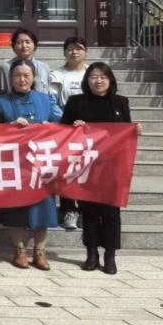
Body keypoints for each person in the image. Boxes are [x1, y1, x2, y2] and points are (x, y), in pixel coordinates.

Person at [61, 62, 138, 275]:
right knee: (89, 210)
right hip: (86, 165)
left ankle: (110, 255)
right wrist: (73, 127)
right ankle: (91, 253)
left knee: (112, 211)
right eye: (94, 77)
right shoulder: (76, 102)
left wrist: (135, 130)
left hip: (112, 165)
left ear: (110, 80)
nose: (98, 81)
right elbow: (62, 130)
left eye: (103, 77)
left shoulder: (120, 102)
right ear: (87, 80)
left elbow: (126, 131)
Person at [0, 58, 63, 271]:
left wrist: (51, 126)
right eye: (17, 76)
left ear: (34, 77)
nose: (22, 80)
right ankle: (19, 249)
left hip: (42, 161)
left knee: (44, 205)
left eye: (26, 76)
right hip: (15, 162)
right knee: (16, 205)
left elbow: (61, 123)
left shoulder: (46, 99)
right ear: (10, 78)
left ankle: (40, 250)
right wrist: (10, 126)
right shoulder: (2, 101)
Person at [50, 36, 90, 231]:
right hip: (65, 129)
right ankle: (68, 209)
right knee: (66, 170)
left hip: (87, 130)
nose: (74, 52)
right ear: (64, 52)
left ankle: (85, 210)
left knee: (86, 170)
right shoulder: (57, 75)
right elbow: (52, 102)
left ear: (85, 52)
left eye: (79, 48)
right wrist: (68, 120)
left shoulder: (92, 74)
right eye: (70, 49)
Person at [0, 27, 52, 98]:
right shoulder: (6, 67)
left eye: (27, 42)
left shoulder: (44, 67)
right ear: (14, 46)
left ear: (34, 44)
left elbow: (48, 92)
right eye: (19, 42)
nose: (24, 46)